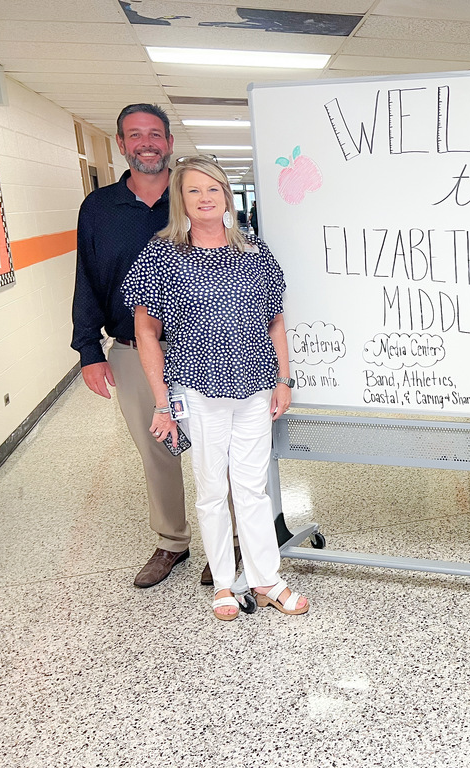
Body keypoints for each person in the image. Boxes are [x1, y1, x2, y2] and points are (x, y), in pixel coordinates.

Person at [122, 156, 308, 621]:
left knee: (252, 488)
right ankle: (224, 582)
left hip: (254, 389)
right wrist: (162, 401)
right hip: (198, 390)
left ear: (226, 195)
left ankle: (266, 579)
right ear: (179, 201)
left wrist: (283, 380)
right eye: (193, 191)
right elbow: (146, 333)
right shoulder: (162, 255)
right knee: (209, 487)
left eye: (213, 189)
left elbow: (276, 320)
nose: (205, 198)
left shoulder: (254, 253)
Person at [71, 103, 193, 588]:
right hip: (130, 348)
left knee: (217, 447)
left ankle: (231, 543)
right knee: (157, 448)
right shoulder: (98, 209)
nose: (147, 142)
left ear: (169, 142)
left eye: (156, 134)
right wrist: (89, 350)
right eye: (135, 135)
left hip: (202, 346)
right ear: (121, 144)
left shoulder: (193, 196)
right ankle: (172, 542)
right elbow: (88, 279)